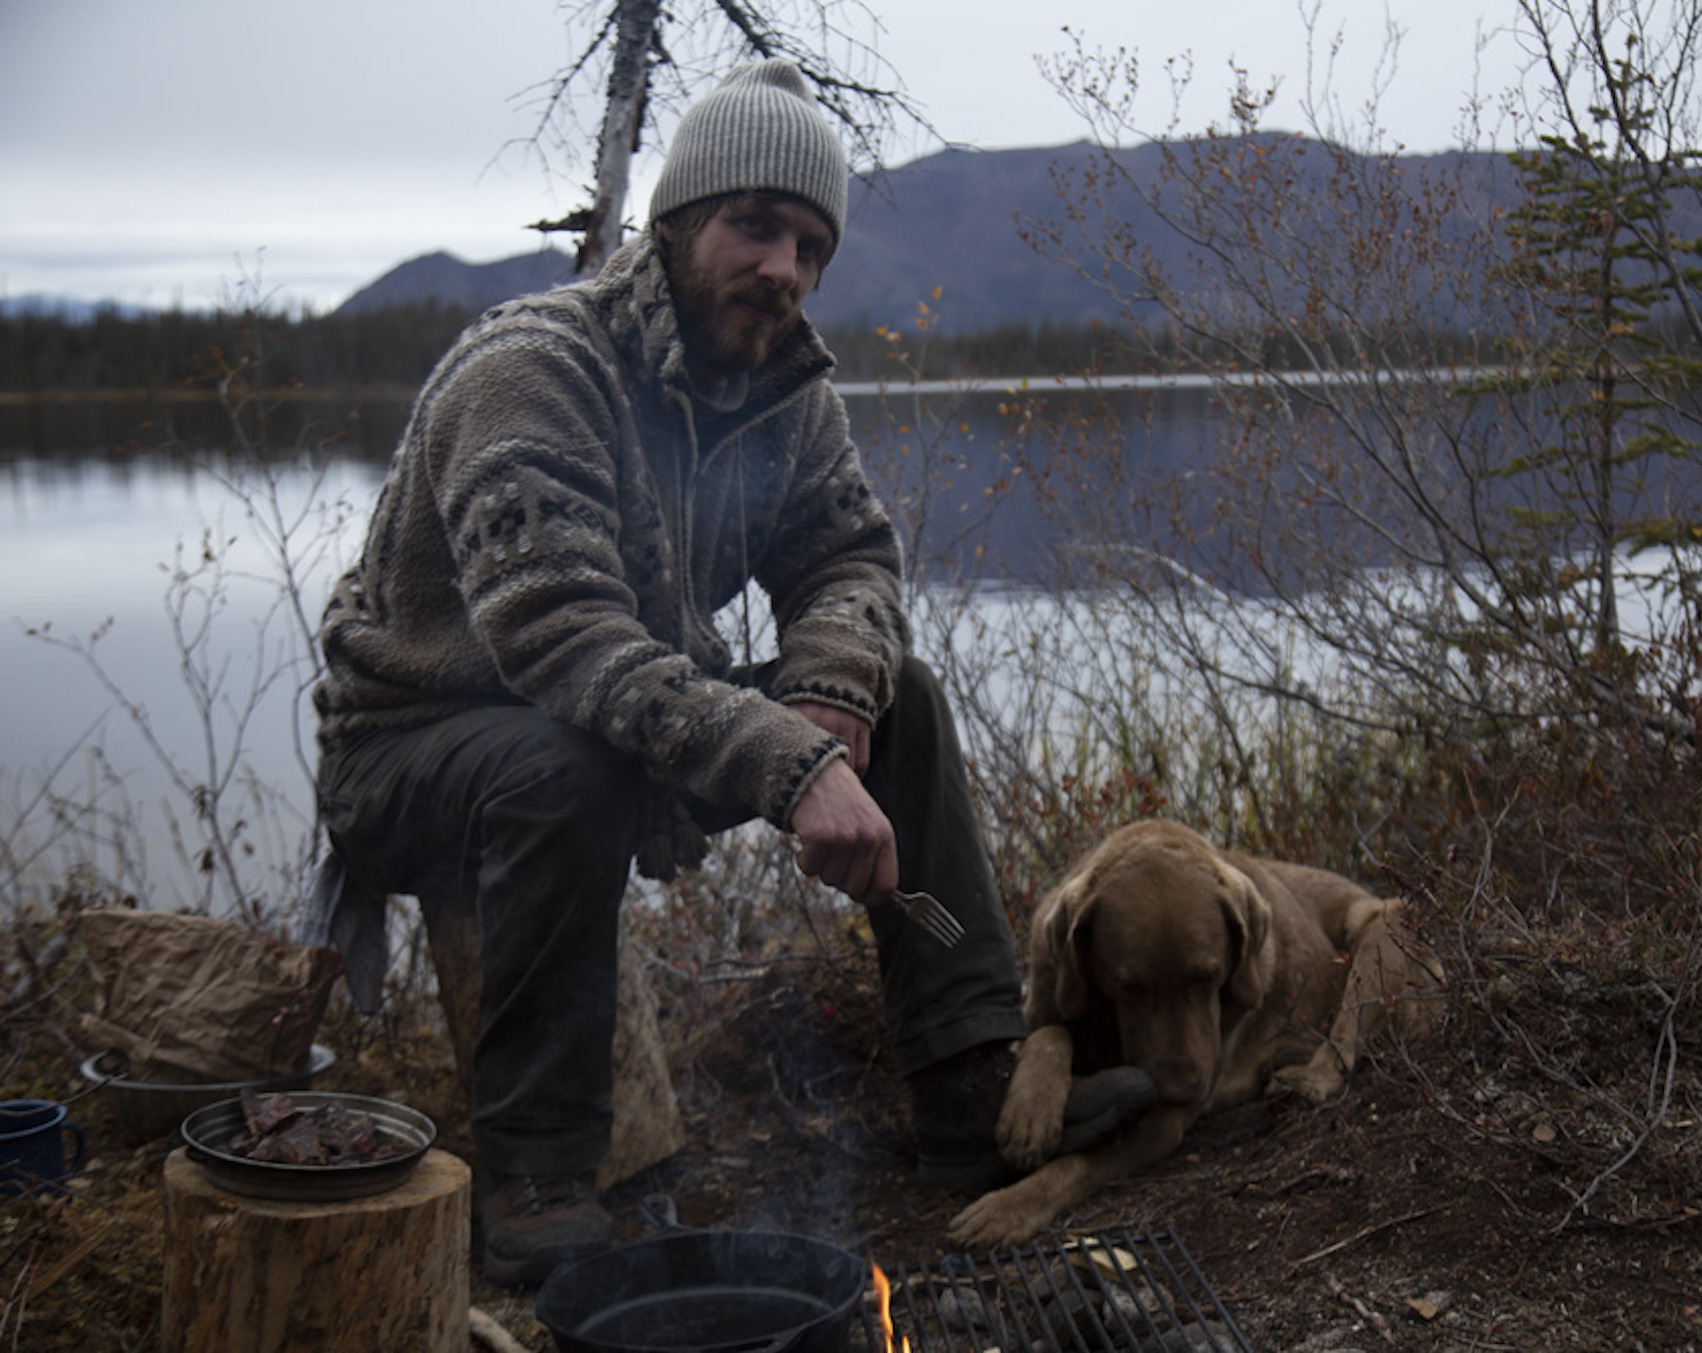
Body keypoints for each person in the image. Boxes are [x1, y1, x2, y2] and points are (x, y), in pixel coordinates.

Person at [308, 59, 1149, 1288]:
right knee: (559, 758)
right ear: (676, 222)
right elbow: (565, 642)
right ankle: (537, 1177)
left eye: (811, 245)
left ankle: (971, 1088)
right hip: (408, 752)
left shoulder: (784, 393)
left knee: (896, 697)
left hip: (608, 733)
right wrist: (787, 762)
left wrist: (828, 691)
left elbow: (850, 555)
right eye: (755, 226)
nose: (783, 270)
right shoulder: (535, 369)